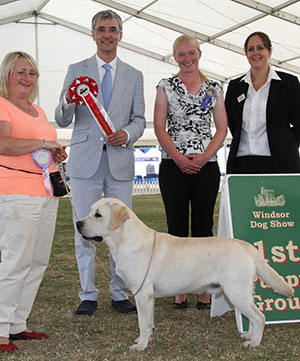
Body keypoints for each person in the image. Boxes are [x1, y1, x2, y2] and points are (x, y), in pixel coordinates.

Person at [55, 10, 145, 316]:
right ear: (93, 34)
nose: (107, 34)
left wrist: (128, 134)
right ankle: (88, 294)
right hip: (84, 164)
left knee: (121, 231)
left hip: (119, 163)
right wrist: (68, 99)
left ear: (121, 35)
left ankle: (119, 292)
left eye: (113, 30)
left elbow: (139, 119)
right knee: (84, 229)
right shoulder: (75, 69)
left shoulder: (135, 75)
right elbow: (62, 117)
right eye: (101, 29)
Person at [154, 34, 228, 309]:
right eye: (181, 55)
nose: (187, 59)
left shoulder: (214, 88)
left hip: (206, 167)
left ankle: (205, 290)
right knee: (176, 229)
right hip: (173, 166)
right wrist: (178, 158)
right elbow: (160, 126)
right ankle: (179, 289)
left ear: (199, 54)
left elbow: (221, 128)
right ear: (175, 57)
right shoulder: (165, 86)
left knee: (202, 227)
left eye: (191, 53)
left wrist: (204, 157)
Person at [0, 51, 67, 353]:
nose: (27, 78)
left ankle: (17, 323)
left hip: (45, 192)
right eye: (21, 72)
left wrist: (54, 153)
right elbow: (4, 143)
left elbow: (40, 150)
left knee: (37, 262)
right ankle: (1, 330)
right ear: (7, 76)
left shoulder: (38, 112)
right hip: (14, 192)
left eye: (32, 73)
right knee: (16, 261)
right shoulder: (2, 105)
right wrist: (43, 144)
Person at [225, 31, 300, 174]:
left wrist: (286, 144)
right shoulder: (235, 86)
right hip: (241, 161)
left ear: (269, 51)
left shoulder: (289, 83)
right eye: (250, 49)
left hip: (279, 161)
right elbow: (232, 121)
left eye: (260, 48)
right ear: (246, 54)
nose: (255, 53)